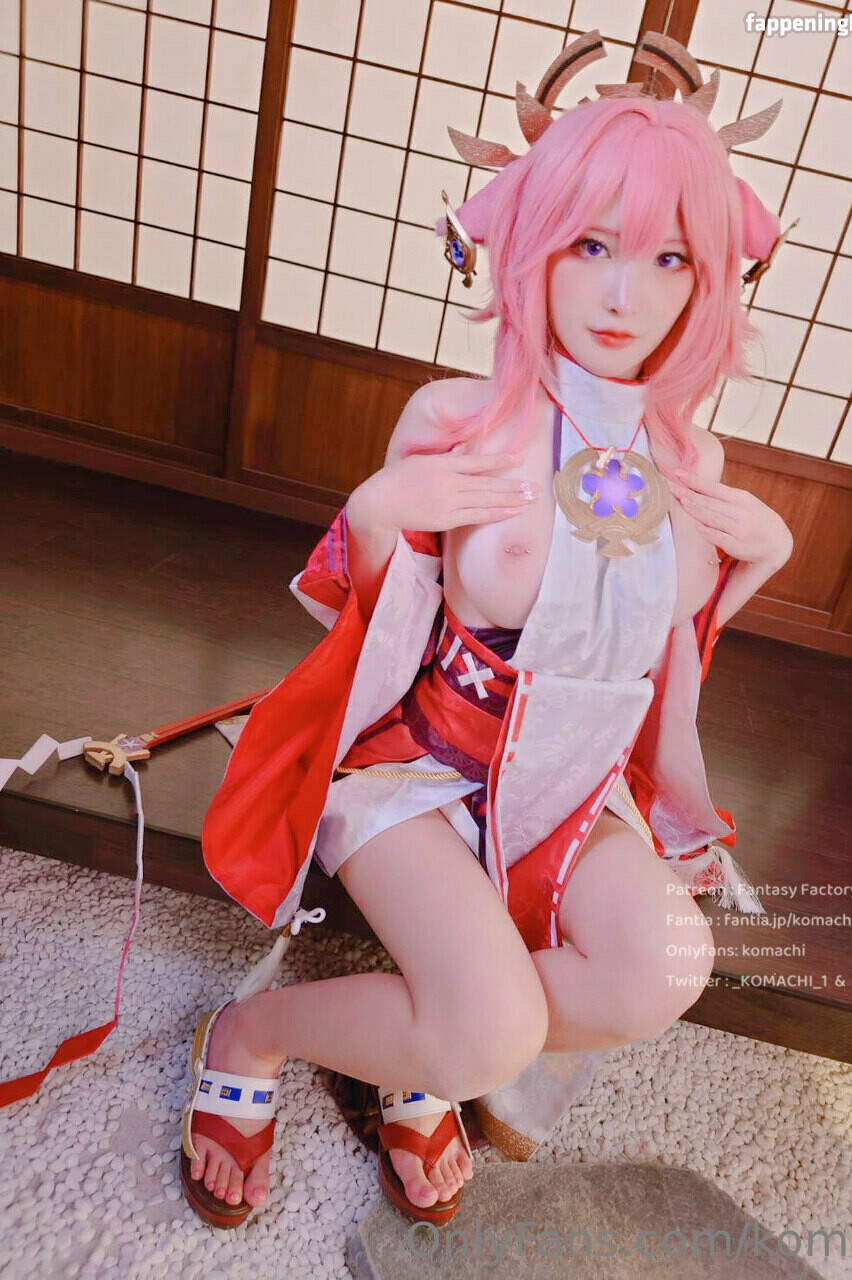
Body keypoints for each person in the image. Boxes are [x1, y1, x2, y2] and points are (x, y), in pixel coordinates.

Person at [179, 31, 794, 1230]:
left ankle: (431, 1040)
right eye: (592, 245)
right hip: (424, 759)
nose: (624, 294)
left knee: (666, 967)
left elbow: (658, 643)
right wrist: (376, 511)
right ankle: (251, 1031)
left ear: (710, 277)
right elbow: (363, 622)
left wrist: (756, 563)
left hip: (573, 781)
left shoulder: (692, 458)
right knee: (496, 1026)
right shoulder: (456, 416)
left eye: (670, 256)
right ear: (532, 241)